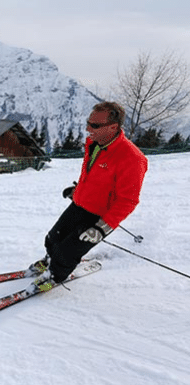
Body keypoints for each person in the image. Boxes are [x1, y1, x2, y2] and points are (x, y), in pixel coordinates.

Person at [31, 101, 148, 291]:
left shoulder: (132, 158)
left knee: (67, 252)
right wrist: (77, 192)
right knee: (53, 239)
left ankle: (55, 275)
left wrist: (101, 229)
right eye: (88, 122)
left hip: (98, 216)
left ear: (113, 127)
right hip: (79, 204)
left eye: (94, 125)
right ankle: (49, 260)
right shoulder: (94, 144)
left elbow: (128, 200)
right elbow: (95, 177)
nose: (87, 129)